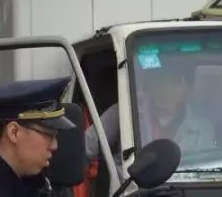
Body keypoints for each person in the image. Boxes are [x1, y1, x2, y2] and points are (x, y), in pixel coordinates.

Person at [84, 63, 215, 162]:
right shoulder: (124, 112)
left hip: (181, 193)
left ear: (188, 89)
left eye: (174, 83)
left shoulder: (203, 129)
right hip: (130, 193)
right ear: (150, 84)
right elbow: (84, 148)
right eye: (160, 81)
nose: (165, 90)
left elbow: (206, 172)